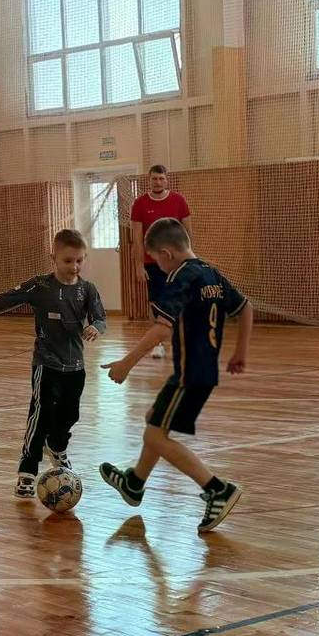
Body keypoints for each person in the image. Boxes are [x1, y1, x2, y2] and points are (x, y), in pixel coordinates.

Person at [100, 218, 254, 533]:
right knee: (154, 420)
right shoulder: (211, 273)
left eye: (156, 260)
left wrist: (126, 363)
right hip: (203, 371)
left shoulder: (181, 277)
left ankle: (217, 489)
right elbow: (245, 307)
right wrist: (240, 352)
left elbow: (161, 329)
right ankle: (134, 483)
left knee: (155, 436)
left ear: (166, 254)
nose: (158, 266)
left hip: (190, 374)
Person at [0, 229, 107, 500]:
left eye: (79, 260)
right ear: (53, 257)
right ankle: (27, 472)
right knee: (40, 416)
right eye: (68, 261)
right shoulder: (41, 287)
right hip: (46, 364)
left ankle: (57, 446)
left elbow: (100, 318)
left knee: (70, 415)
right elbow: (5, 299)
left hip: (75, 368)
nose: (74, 266)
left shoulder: (87, 289)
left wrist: (96, 327)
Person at [130, 164, 191, 359]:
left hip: (176, 262)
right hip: (152, 263)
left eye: (161, 178)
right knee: (156, 303)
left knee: (179, 301)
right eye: (154, 178)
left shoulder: (179, 200)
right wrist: (139, 265)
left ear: (167, 180)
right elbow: (137, 238)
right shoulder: (139, 204)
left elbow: (187, 232)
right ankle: (158, 344)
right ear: (149, 180)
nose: (158, 182)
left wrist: (189, 260)